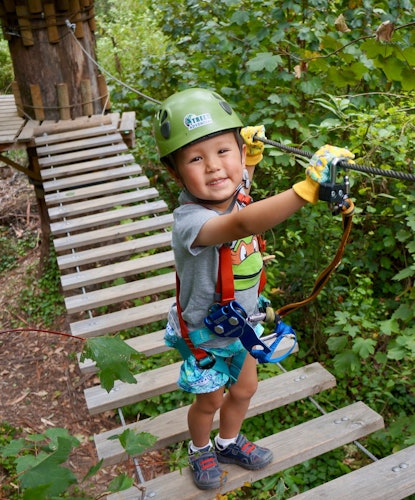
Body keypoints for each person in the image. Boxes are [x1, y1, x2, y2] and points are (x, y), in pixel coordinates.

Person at [153, 88, 354, 490]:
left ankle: (228, 441)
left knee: (245, 388)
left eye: (224, 152)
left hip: (242, 322)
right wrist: (305, 191)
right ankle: (199, 448)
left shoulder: (235, 186)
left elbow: (241, 190)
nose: (214, 168)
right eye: (196, 159)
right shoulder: (190, 222)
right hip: (206, 335)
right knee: (208, 400)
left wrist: (253, 160)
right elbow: (244, 224)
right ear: (176, 174)